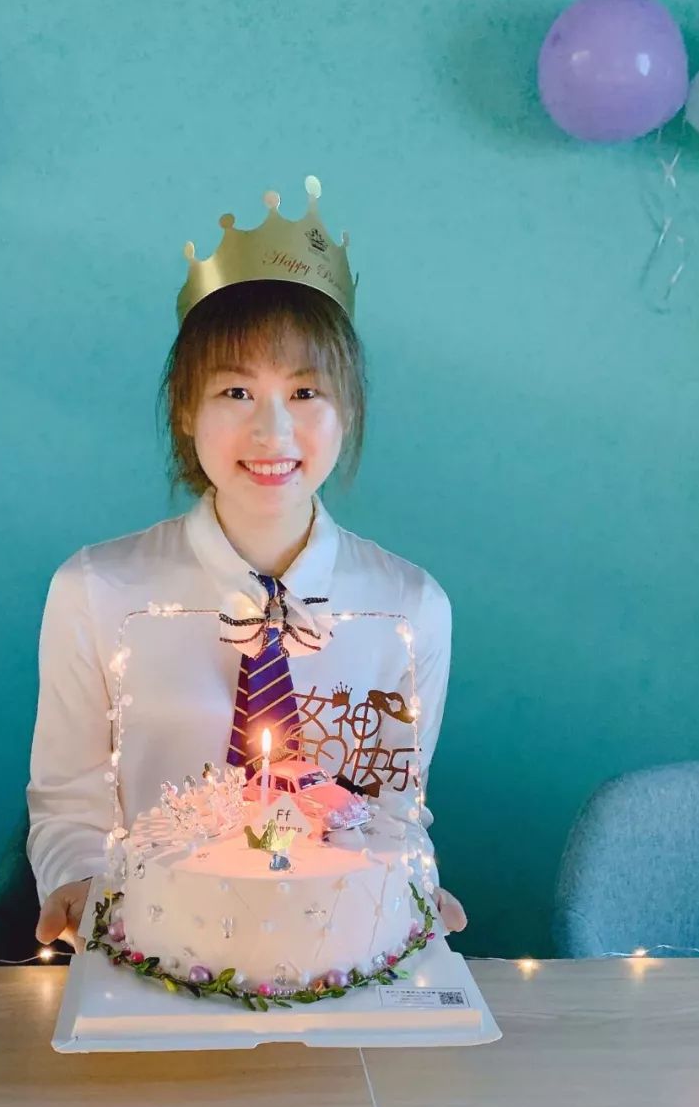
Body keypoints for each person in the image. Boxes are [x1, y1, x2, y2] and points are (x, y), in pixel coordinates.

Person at [29, 177, 466, 949]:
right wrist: (83, 889)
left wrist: (408, 888)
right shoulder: (94, 592)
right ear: (185, 409)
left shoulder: (411, 608)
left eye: (305, 392)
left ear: (347, 410)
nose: (273, 432)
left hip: (335, 954)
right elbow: (69, 802)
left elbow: (396, 812)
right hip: (148, 949)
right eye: (236, 390)